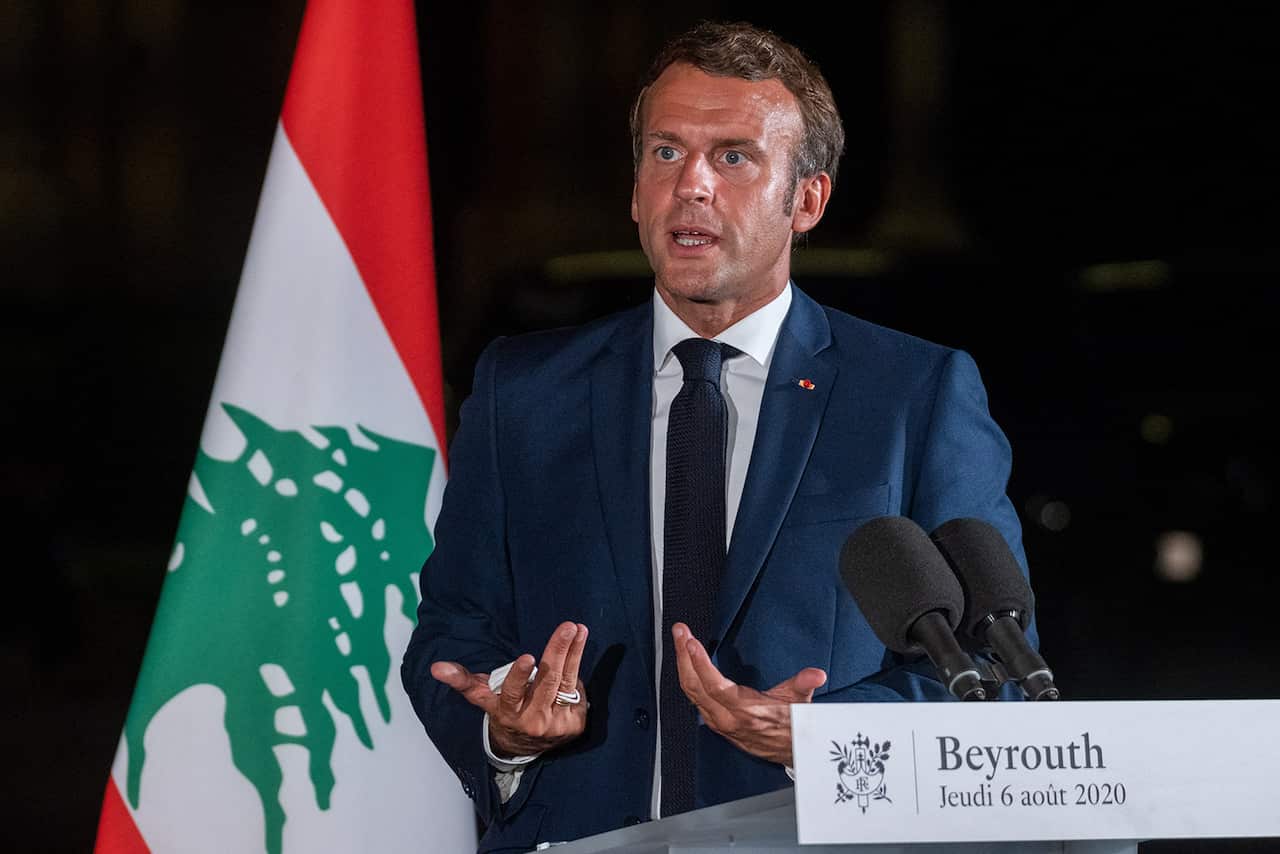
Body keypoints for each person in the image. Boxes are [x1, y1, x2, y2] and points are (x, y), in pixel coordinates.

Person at [402, 19, 1036, 852]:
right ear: (636, 192)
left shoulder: (915, 395)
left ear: (806, 201)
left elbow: (994, 667)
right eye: (665, 152)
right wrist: (505, 730)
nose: (691, 185)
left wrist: (824, 738)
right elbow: (452, 629)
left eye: (734, 157)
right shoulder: (523, 392)